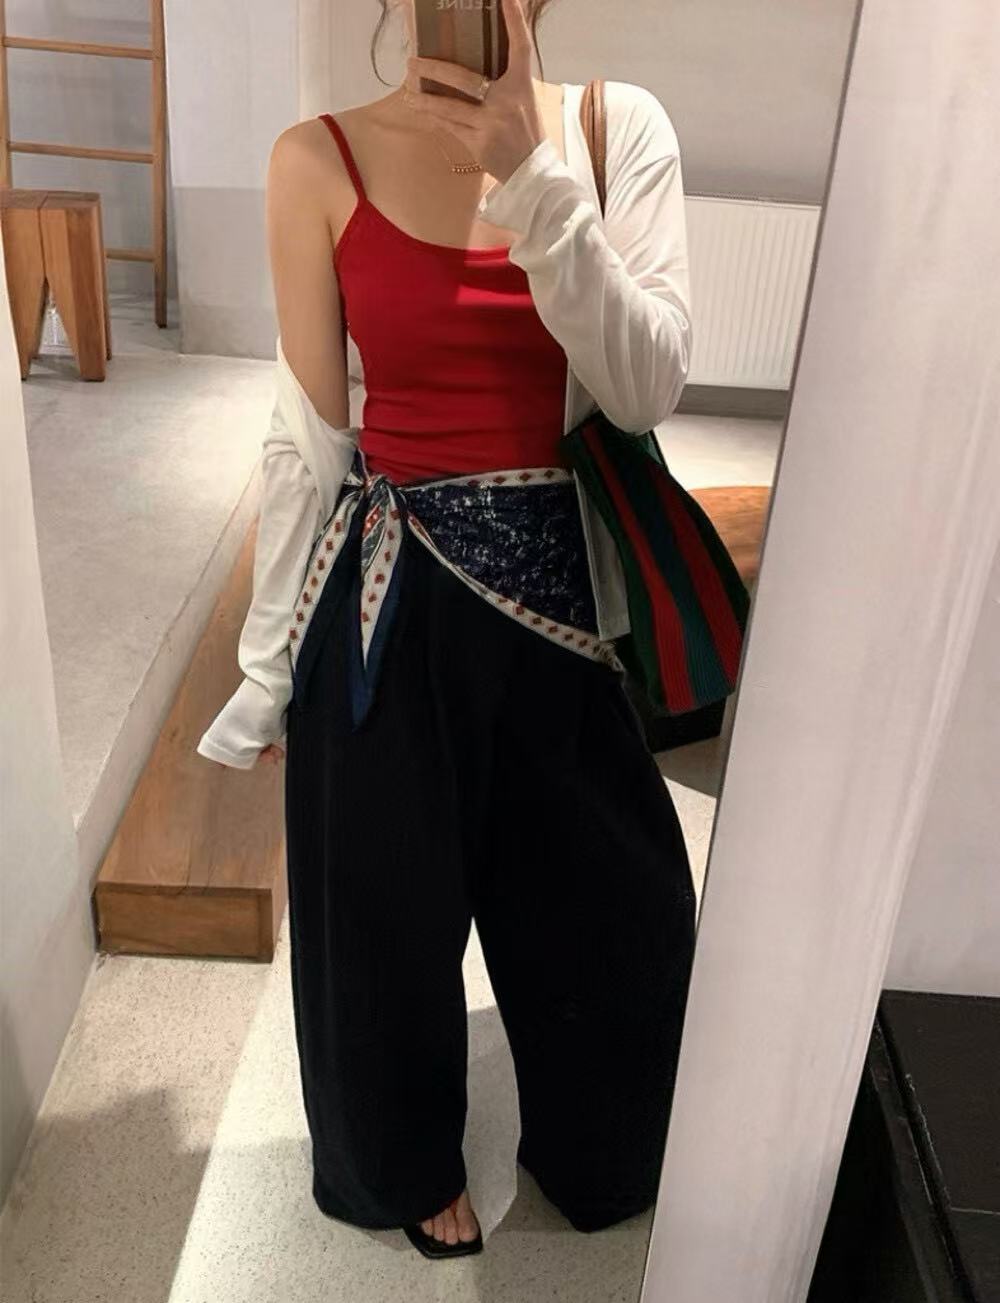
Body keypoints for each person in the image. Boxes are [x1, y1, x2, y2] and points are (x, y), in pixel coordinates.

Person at [197, 0, 697, 1261]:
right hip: (389, 596)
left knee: (615, 908)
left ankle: (604, 1141)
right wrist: (266, 669)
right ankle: (402, 1158)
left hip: (561, 605)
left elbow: (644, 387)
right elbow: (308, 441)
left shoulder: (615, 131)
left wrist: (532, 176)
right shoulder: (317, 159)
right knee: (378, 916)